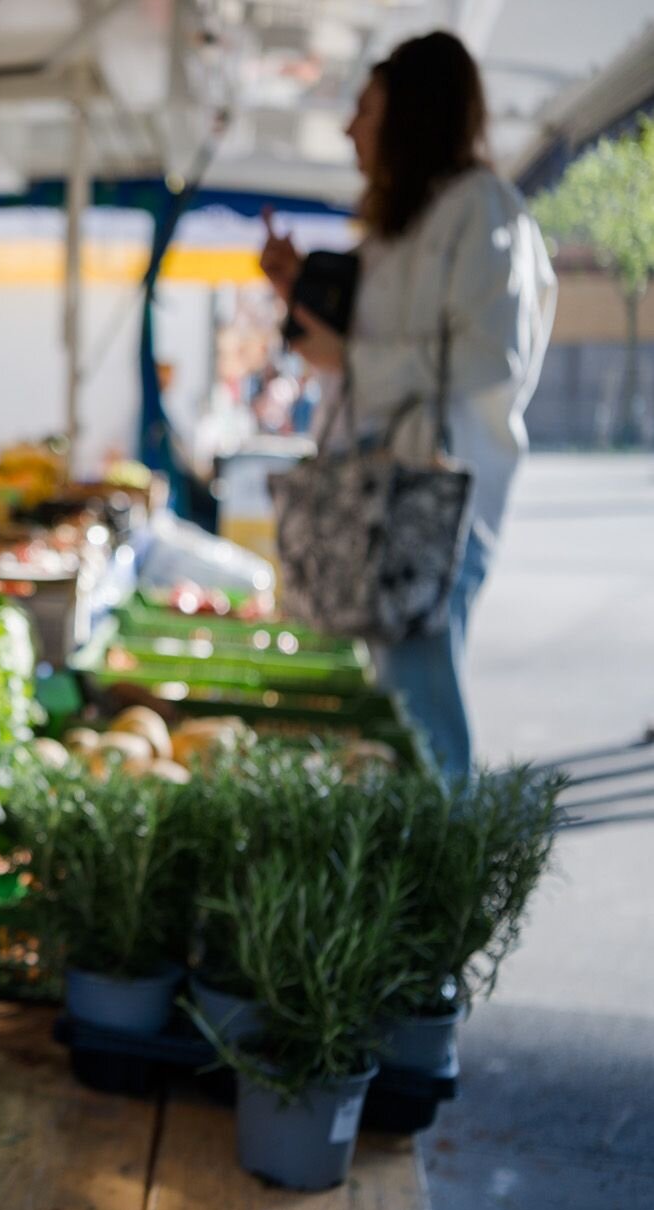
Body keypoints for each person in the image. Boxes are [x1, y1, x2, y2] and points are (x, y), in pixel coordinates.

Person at [259, 31, 555, 779]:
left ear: (411, 114)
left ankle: (442, 874)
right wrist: (301, 294)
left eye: (364, 109)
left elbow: (490, 361)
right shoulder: (404, 226)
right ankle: (422, 860)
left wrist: (351, 358)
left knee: (421, 707)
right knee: (399, 699)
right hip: (380, 495)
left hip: (434, 502)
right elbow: (382, 344)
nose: (350, 128)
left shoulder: (486, 211)